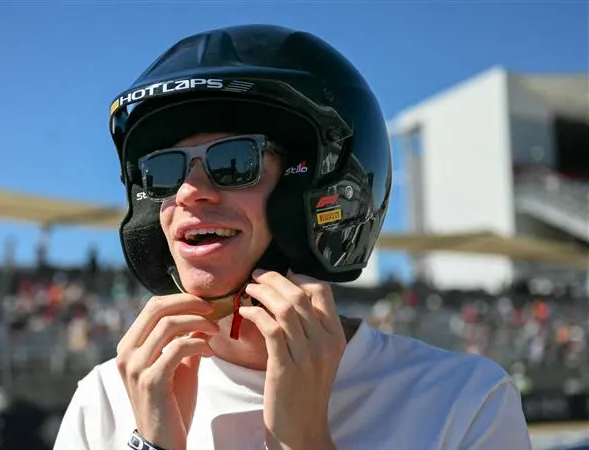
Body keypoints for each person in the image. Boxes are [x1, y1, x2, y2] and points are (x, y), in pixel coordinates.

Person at [53, 24, 531, 450]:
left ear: (311, 185)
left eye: (234, 162)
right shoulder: (106, 402)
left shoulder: (463, 402)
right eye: (162, 170)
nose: (189, 192)